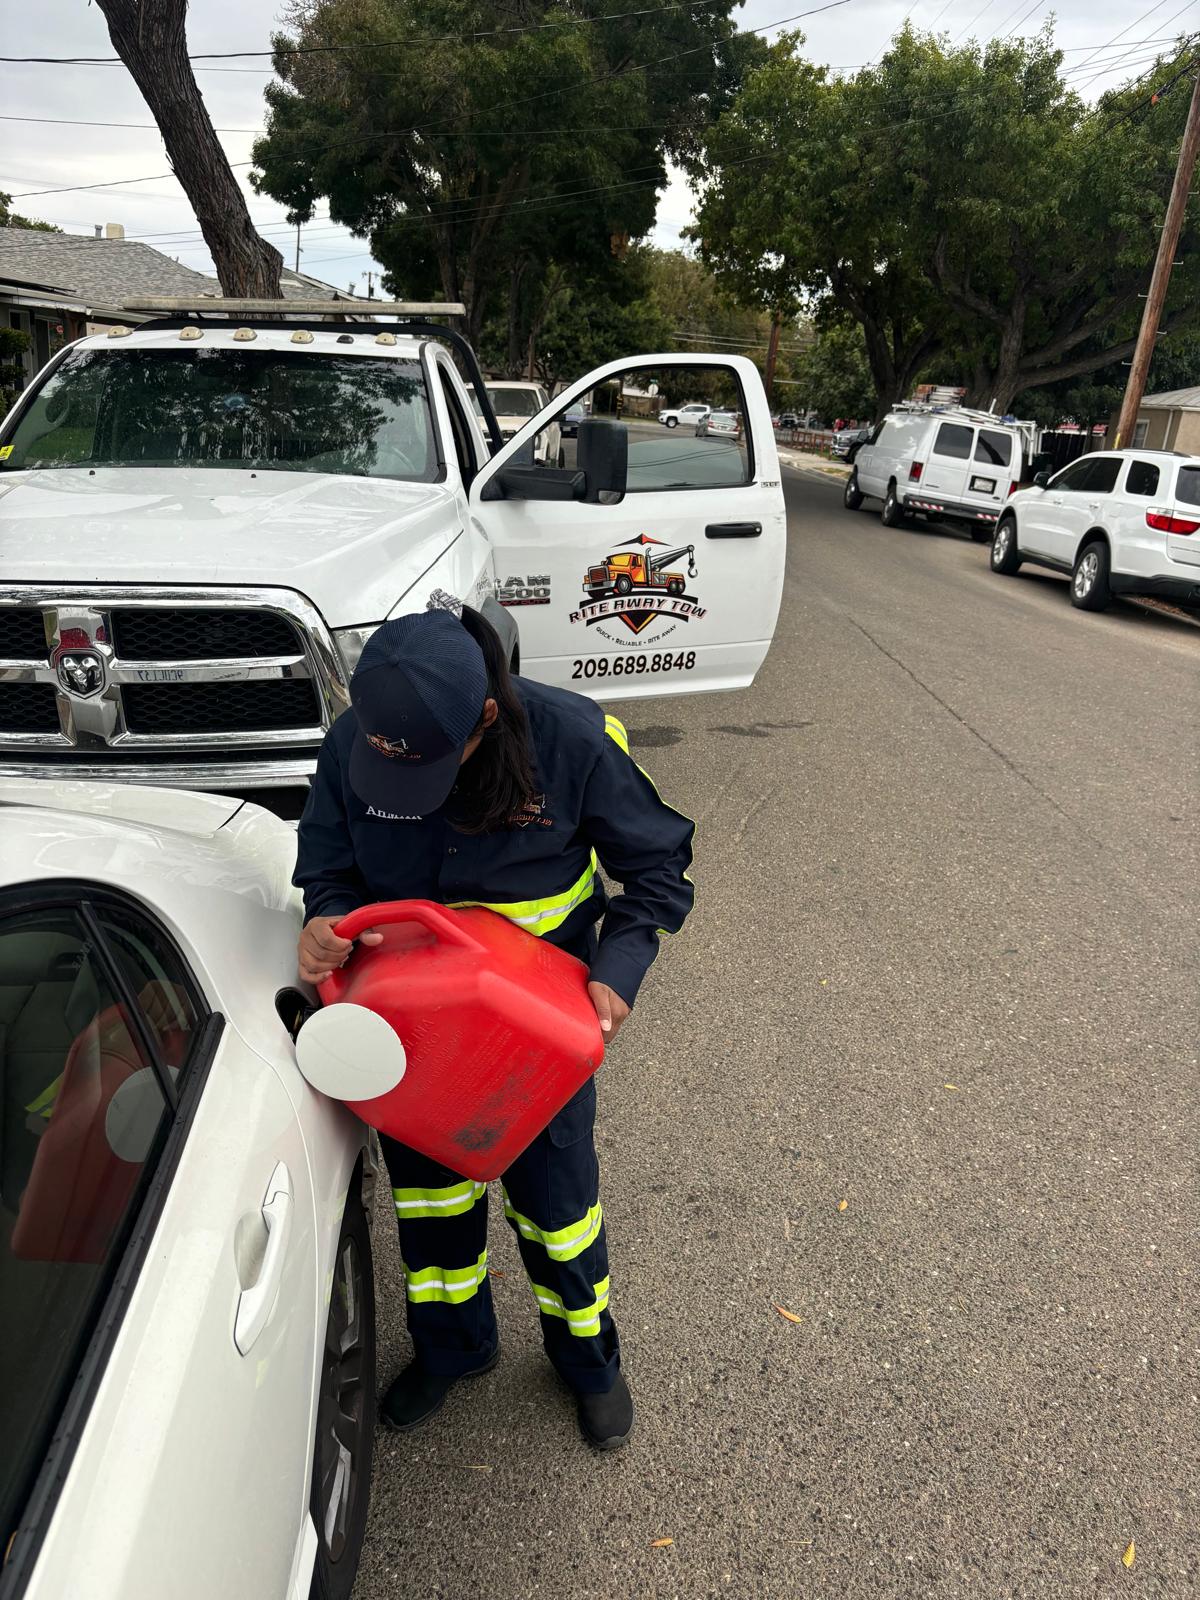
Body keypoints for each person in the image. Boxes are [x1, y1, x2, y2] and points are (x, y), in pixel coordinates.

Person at [293, 603, 694, 1449]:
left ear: (485, 715)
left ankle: (590, 1365)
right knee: (431, 1210)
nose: (400, 782)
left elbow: (659, 868)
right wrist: (325, 919)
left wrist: (615, 975)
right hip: (414, 1043)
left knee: (560, 1215)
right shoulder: (358, 743)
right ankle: (453, 1350)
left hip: (532, 1046)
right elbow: (326, 862)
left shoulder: (572, 741)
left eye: (430, 768)